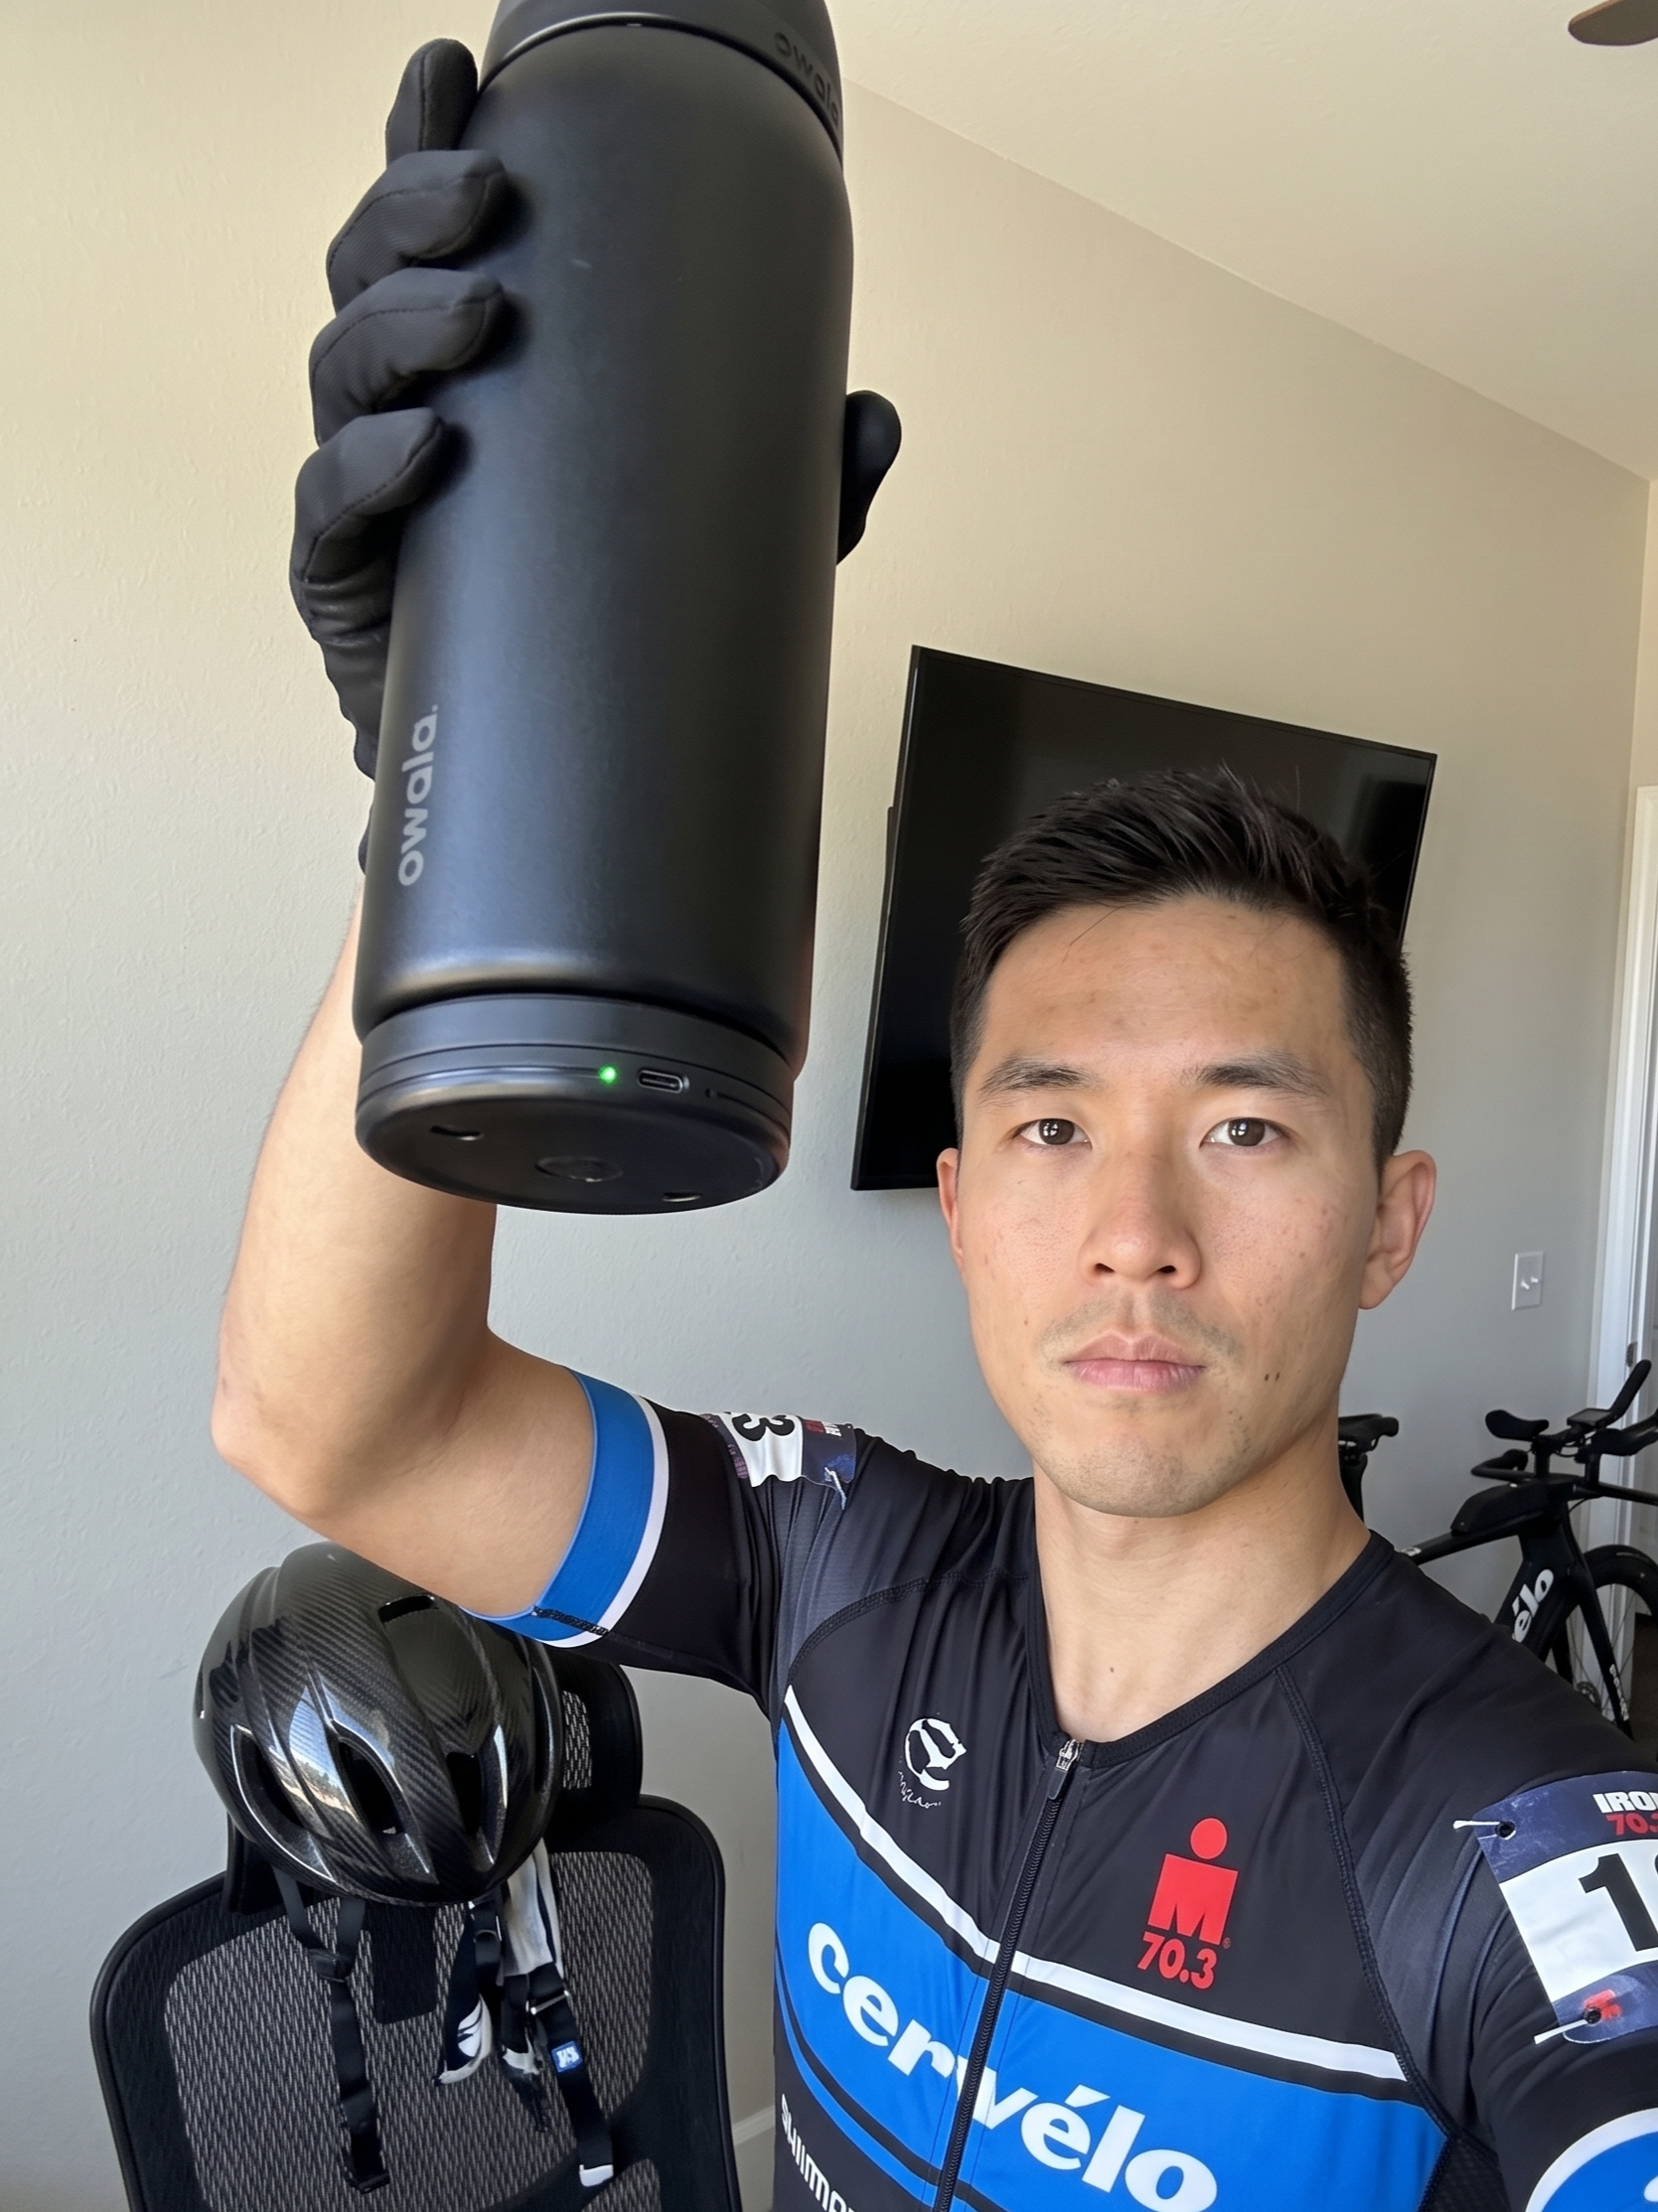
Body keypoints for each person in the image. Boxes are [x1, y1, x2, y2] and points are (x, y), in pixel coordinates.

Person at [217, 41, 1658, 2212]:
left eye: (1249, 1133)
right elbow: (333, 1425)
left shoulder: (1508, 1836)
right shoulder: (839, 1561)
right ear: (965, 1199)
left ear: (1391, 1221)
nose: (1139, 1235)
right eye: (1055, 1130)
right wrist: (435, 796)